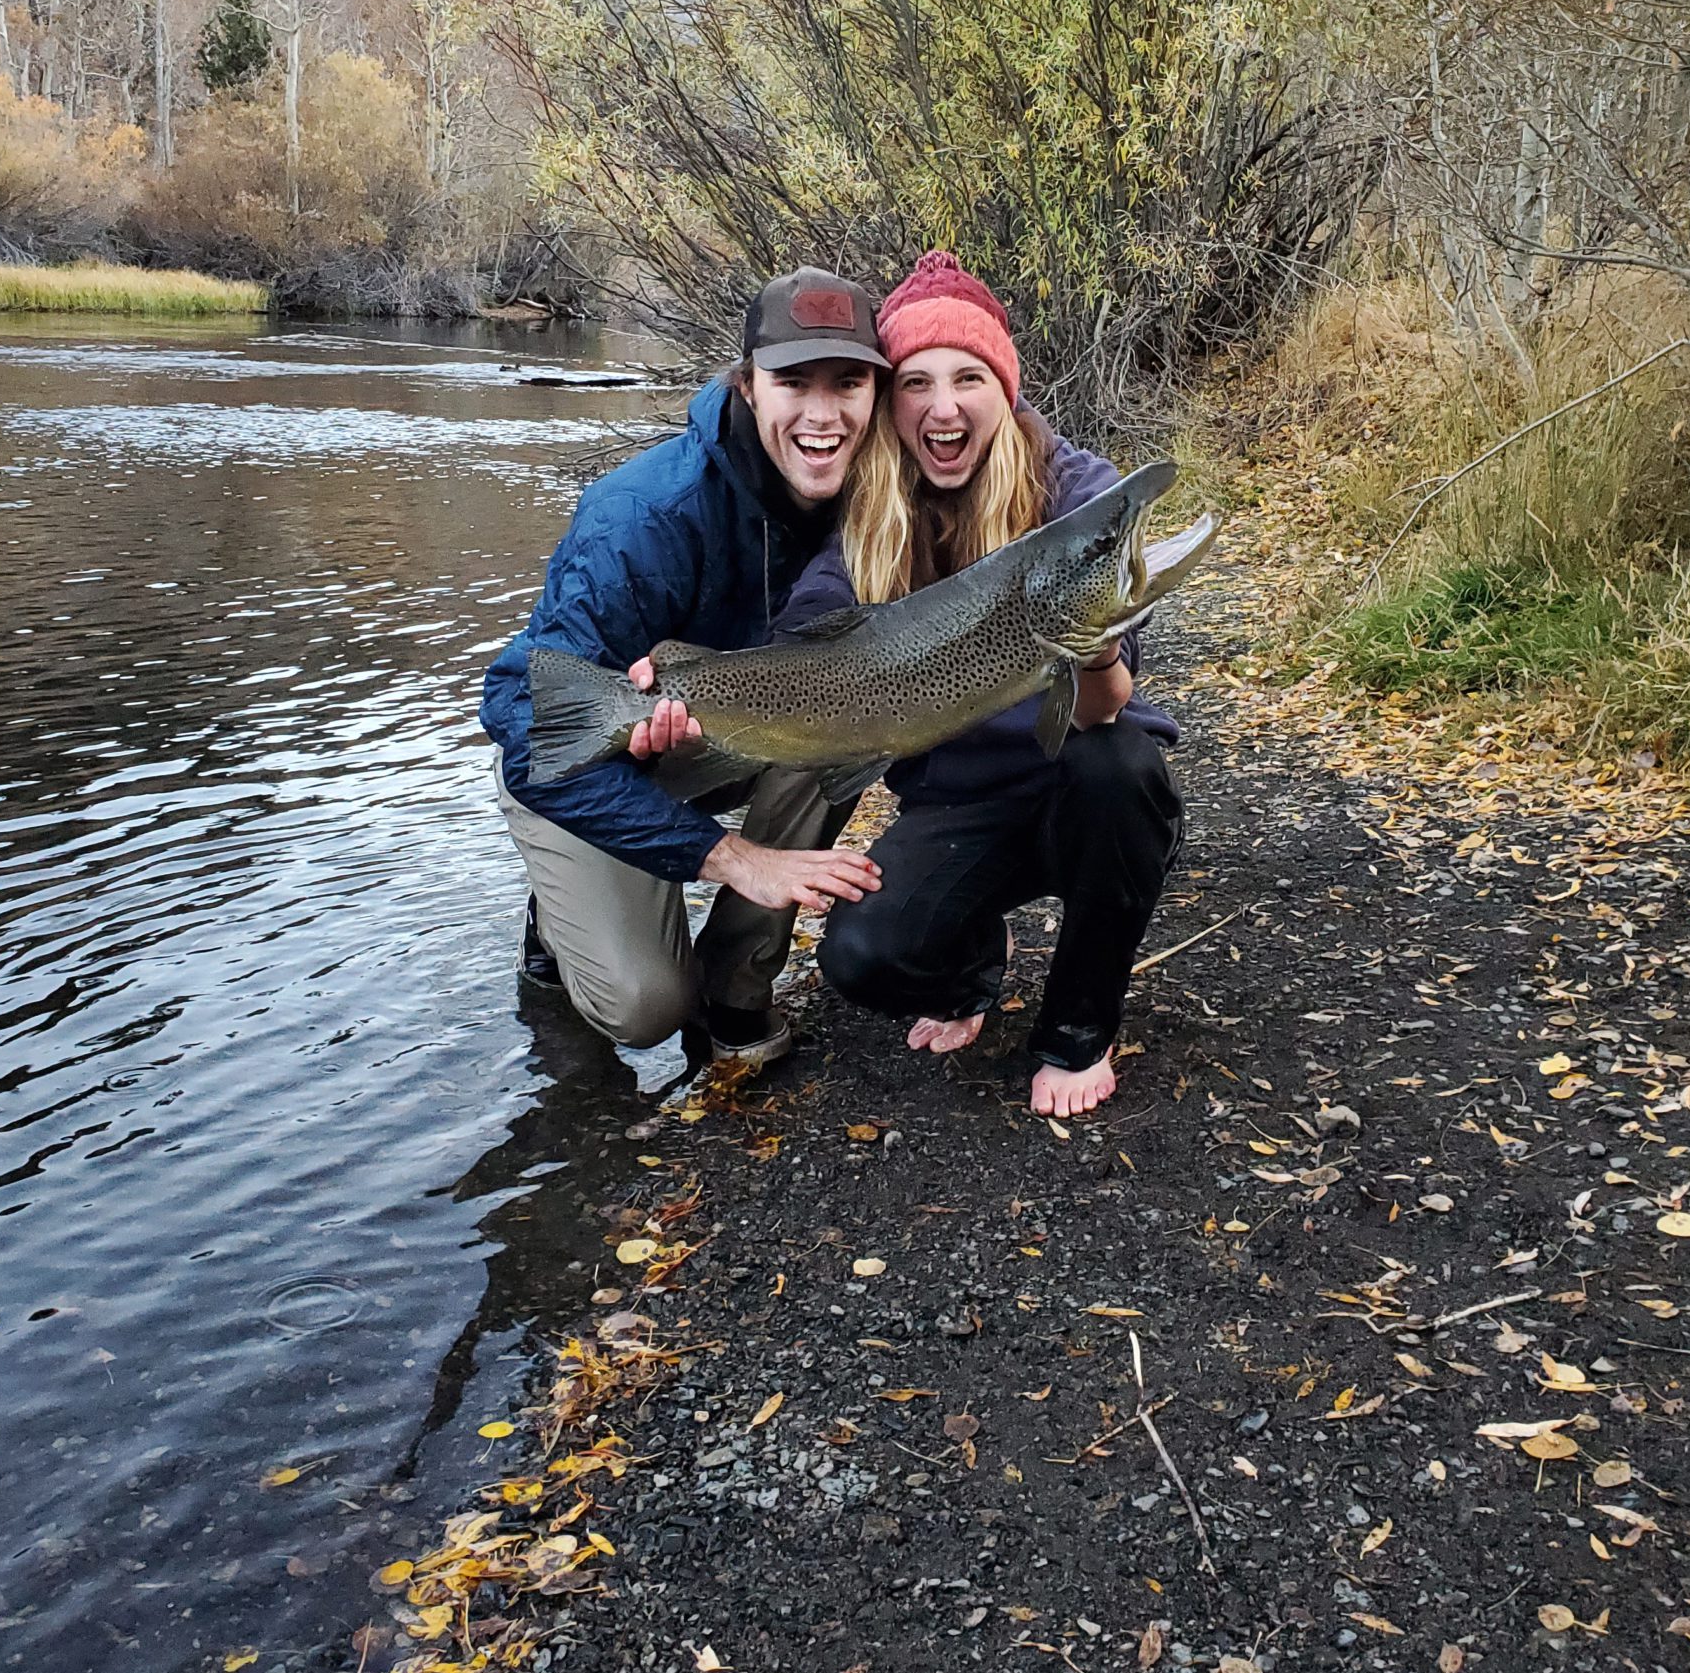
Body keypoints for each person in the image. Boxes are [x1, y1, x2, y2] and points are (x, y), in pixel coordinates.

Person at [780, 251, 1184, 1118]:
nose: (944, 404)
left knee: (1122, 769)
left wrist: (1086, 643)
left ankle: (1080, 1030)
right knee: (863, 958)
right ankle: (969, 964)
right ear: (893, 405)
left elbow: (1108, 707)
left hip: (1081, 790)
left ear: (1006, 388)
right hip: (958, 808)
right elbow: (811, 618)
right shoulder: (866, 514)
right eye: (917, 382)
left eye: (969, 376)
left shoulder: (1077, 496)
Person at [480, 269, 887, 1062]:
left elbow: (982, 419)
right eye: (793, 382)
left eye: (848, 384)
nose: (822, 414)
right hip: (592, 760)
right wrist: (730, 858)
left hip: (730, 739)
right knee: (642, 1009)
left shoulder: (880, 502)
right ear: (746, 386)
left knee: (849, 718)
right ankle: (556, 923)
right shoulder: (643, 516)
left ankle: (735, 989)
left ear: (879, 392)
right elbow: (529, 734)